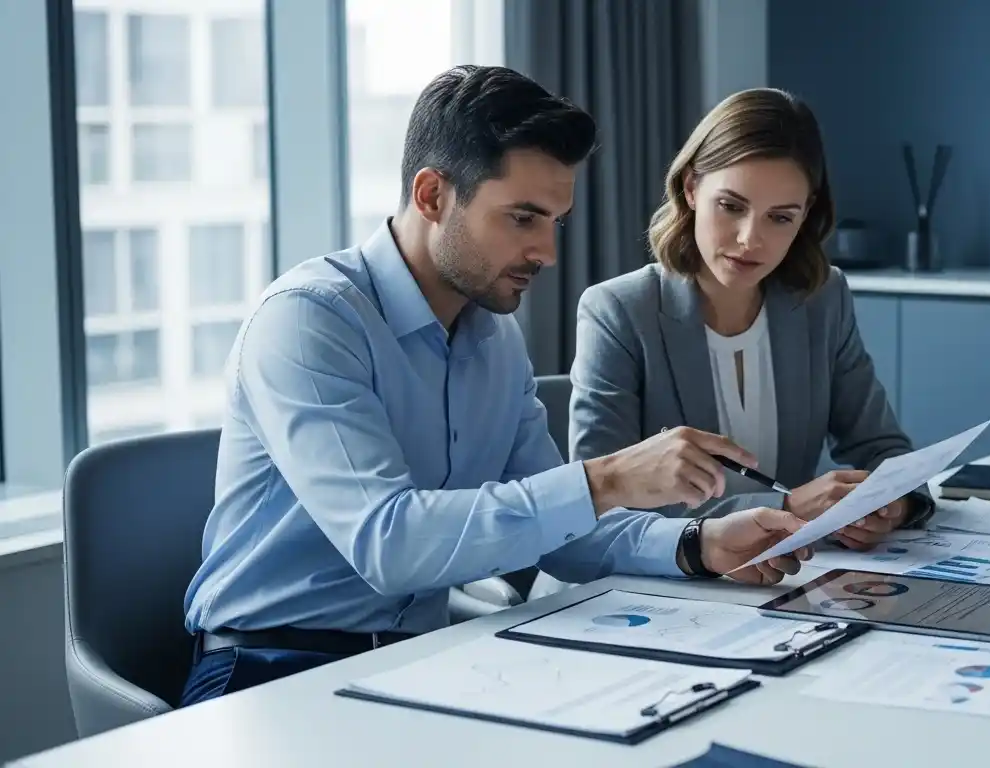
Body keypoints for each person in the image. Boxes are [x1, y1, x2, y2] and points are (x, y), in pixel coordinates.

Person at [178, 66, 811, 707]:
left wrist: (698, 544)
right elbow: (388, 544)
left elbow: (563, 531)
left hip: (419, 665)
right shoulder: (311, 319)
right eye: (523, 218)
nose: (547, 251)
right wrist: (608, 478)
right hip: (267, 670)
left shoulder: (493, 337)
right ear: (431, 196)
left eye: (555, 222)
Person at [568, 88, 934, 550]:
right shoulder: (618, 311)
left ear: (806, 217)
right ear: (691, 188)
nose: (750, 240)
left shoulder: (823, 300)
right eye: (732, 206)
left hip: (781, 574)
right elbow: (602, 504)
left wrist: (890, 504)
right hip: (648, 583)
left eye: (780, 217)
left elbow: (882, 448)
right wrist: (785, 509)